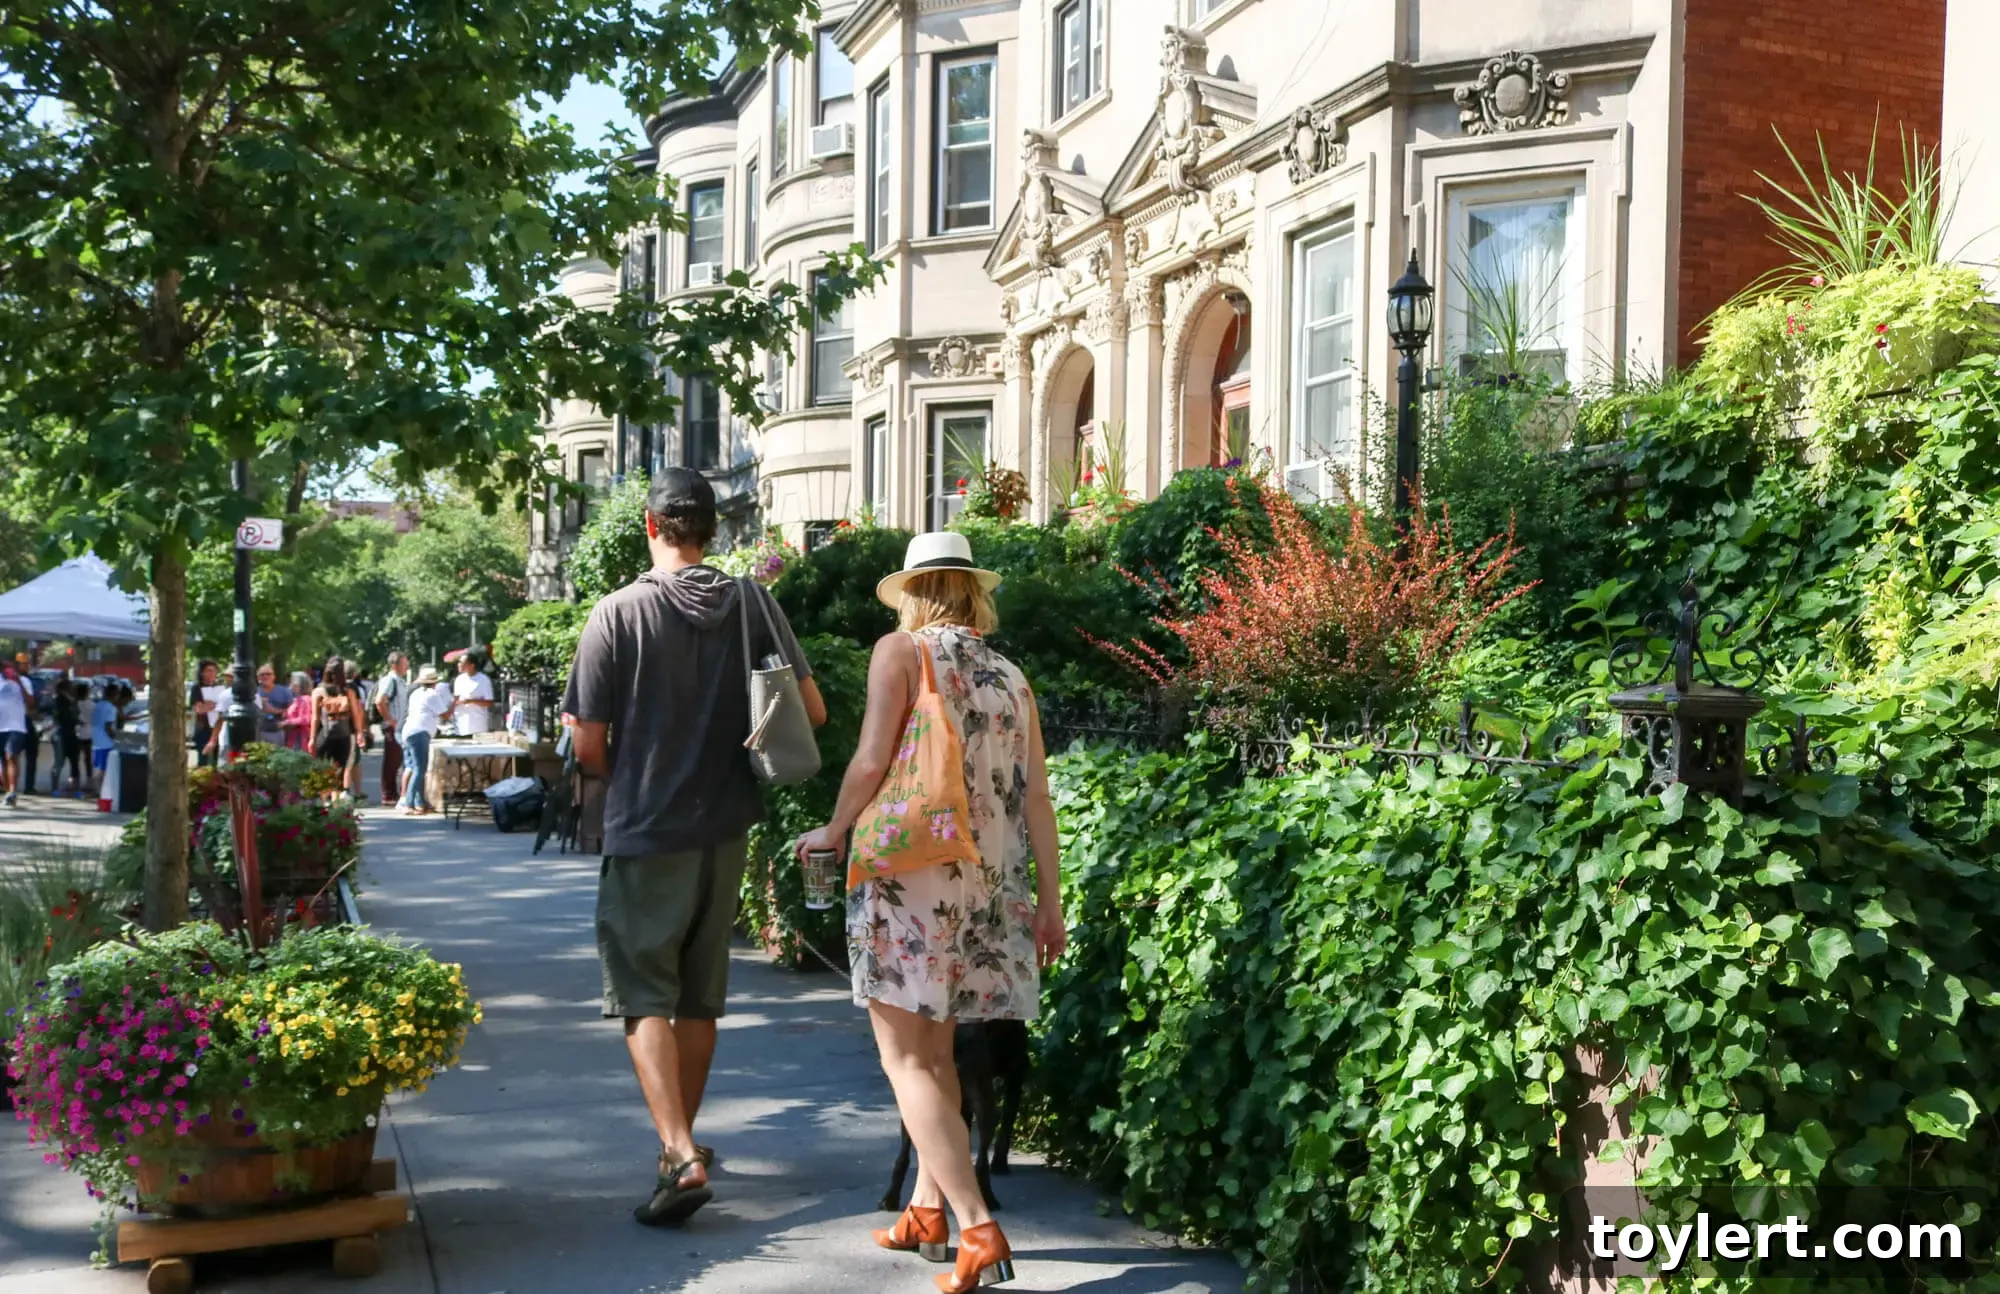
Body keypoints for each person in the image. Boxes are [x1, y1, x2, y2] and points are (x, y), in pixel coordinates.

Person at [796, 531, 1066, 1294]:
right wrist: (1050, 902)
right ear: (972, 590)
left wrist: (833, 828)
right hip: (985, 888)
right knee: (937, 1055)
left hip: (909, 878)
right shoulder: (1011, 676)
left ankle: (977, 1227)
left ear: (914, 591)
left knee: (906, 1059)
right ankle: (926, 1211)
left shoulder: (901, 652)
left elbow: (871, 760)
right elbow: (1036, 800)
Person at [564, 467, 827, 1227]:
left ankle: (678, 1152)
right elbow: (808, 708)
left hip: (648, 829)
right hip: (729, 825)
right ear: (714, 532)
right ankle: (680, 1146)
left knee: (644, 993)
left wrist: (634, 782)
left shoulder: (615, 615)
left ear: (651, 527)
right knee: (699, 994)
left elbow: (586, 744)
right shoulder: (753, 601)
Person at [397, 664, 454, 815]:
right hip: (419, 733)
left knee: (415, 767)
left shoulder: (416, 693)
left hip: (409, 731)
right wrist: (454, 703)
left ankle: (419, 803)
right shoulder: (432, 695)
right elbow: (445, 715)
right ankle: (408, 803)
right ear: (434, 682)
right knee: (419, 769)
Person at [308, 657, 364, 797]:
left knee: (324, 769)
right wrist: (359, 732)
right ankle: (336, 804)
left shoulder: (318, 691)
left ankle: (323, 802)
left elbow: (315, 717)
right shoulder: (348, 690)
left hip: (325, 735)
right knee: (340, 770)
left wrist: (312, 738)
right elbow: (356, 713)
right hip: (343, 735)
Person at [375, 652, 411, 806]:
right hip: (393, 728)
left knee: (397, 761)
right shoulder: (390, 681)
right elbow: (379, 701)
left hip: (400, 727)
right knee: (391, 762)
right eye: (404, 664)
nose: (407, 667)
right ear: (394, 665)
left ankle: (392, 793)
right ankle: (388, 795)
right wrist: (390, 720)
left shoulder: (400, 681)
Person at [0, 662, 32, 807]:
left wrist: (17, 680)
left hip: (15, 726)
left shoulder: (23, 681)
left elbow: (31, 702)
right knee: (2, 762)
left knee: (11, 756)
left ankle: (12, 790)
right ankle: (8, 793)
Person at [51, 680, 84, 796]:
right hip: (61, 734)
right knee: (59, 761)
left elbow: (75, 714)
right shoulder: (58, 701)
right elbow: (63, 717)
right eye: (70, 687)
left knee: (74, 761)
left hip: (71, 734)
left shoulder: (72, 701)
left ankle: (74, 787)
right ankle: (54, 788)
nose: (73, 689)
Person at [188, 659, 223, 768]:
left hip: (218, 727)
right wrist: (215, 705)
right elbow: (199, 709)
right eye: (208, 670)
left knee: (217, 761)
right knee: (203, 760)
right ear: (202, 672)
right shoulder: (197, 688)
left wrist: (210, 704)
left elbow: (223, 707)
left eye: (214, 671)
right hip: (203, 728)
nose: (212, 673)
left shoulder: (220, 687)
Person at [452, 654, 495, 735]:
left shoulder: (483, 680)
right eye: (459, 662)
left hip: (477, 725)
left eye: (462, 662)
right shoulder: (459, 679)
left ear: (472, 665)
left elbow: (489, 703)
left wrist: (470, 701)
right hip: (460, 723)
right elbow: (456, 699)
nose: (459, 664)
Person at [90, 684, 119, 797]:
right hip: (106, 742)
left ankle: (97, 789)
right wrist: (115, 738)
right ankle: (99, 791)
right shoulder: (111, 708)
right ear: (114, 694)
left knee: (98, 766)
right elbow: (108, 726)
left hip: (96, 740)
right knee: (103, 769)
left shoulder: (97, 705)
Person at [258, 664, 292, 747]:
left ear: (274, 676)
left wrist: (274, 711)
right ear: (258, 678)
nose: (265, 676)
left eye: (268, 674)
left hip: (277, 732)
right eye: (262, 674)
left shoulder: (284, 691)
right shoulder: (253, 692)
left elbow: (292, 711)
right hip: (258, 732)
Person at [282, 672, 314, 749]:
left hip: (299, 737)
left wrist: (286, 722)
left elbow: (305, 719)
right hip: (292, 736)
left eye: (292, 682)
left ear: (299, 685)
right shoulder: (297, 699)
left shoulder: (304, 699)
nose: (290, 685)